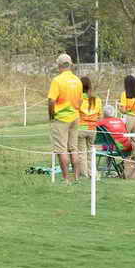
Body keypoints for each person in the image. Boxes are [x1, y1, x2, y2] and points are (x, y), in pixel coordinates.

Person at [48, 53, 83, 181]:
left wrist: (51, 115)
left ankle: (66, 179)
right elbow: (80, 101)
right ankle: (77, 177)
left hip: (61, 118)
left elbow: (51, 100)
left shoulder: (57, 80)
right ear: (70, 64)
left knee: (61, 149)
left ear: (59, 65)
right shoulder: (77, 80)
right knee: (73, 148)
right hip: (75, 117)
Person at [78, 76, 102, 177]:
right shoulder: (97, 100)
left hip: (81, 129)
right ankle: (92, 172)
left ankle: (85, 173)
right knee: (91, 152)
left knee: (82, 153)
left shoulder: (78, 99)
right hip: (92, 129)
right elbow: (100, 116)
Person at [119, 75, 135, 158]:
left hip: (128, 118)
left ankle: (125, 156)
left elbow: (123, 110)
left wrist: (119, 108)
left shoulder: (124, 94)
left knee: (124, 138)